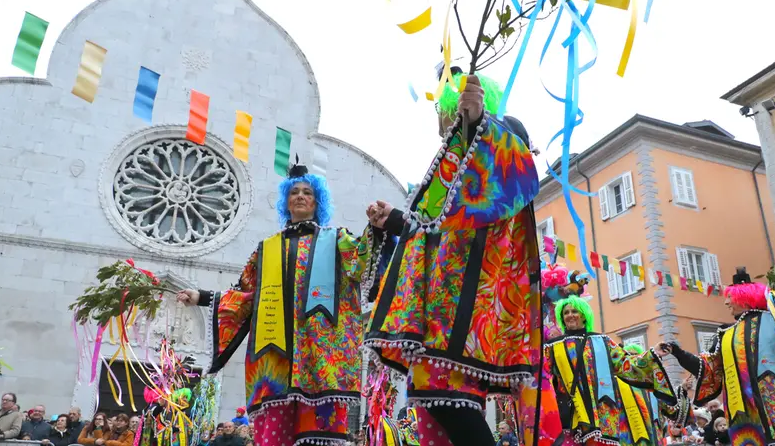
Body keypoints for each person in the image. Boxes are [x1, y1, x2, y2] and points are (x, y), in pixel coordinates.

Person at [364, 67, 542, 445]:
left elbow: (514, 176)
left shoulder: (494, 139)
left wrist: (478, 121)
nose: (442, 119)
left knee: (447, 400)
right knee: (432, 415)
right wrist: (395, 219)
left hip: (464, 309)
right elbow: (432, 230)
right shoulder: (450, 162)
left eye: (446, 110)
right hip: (435, 309)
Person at [177, 161, 383, 446]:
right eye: (294, 192)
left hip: (323, 360)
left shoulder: (337, 240)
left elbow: (364, 263)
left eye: (307, 193)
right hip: (273, 366)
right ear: (286, 201)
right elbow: (245, 297)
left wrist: (377, 228)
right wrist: (201, 296)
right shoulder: (266, 249)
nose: (300, 196)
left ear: (317, 202)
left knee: (319, 441)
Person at [657, 266, 775, 445]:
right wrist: (678, 353)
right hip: (744, 424)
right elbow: (707, 368)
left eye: (730, 297)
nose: (726, 302)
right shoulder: (726, 333)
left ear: (744, 297)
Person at [544, 296, 680, 445]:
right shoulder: (552, 347)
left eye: (574, 311)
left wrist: (653, 354)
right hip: (570, 414)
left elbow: (626, 363)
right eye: (566, 312)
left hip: (603, 414)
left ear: (584, 315)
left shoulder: (602, 341)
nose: (570, 315)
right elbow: (541, 376)